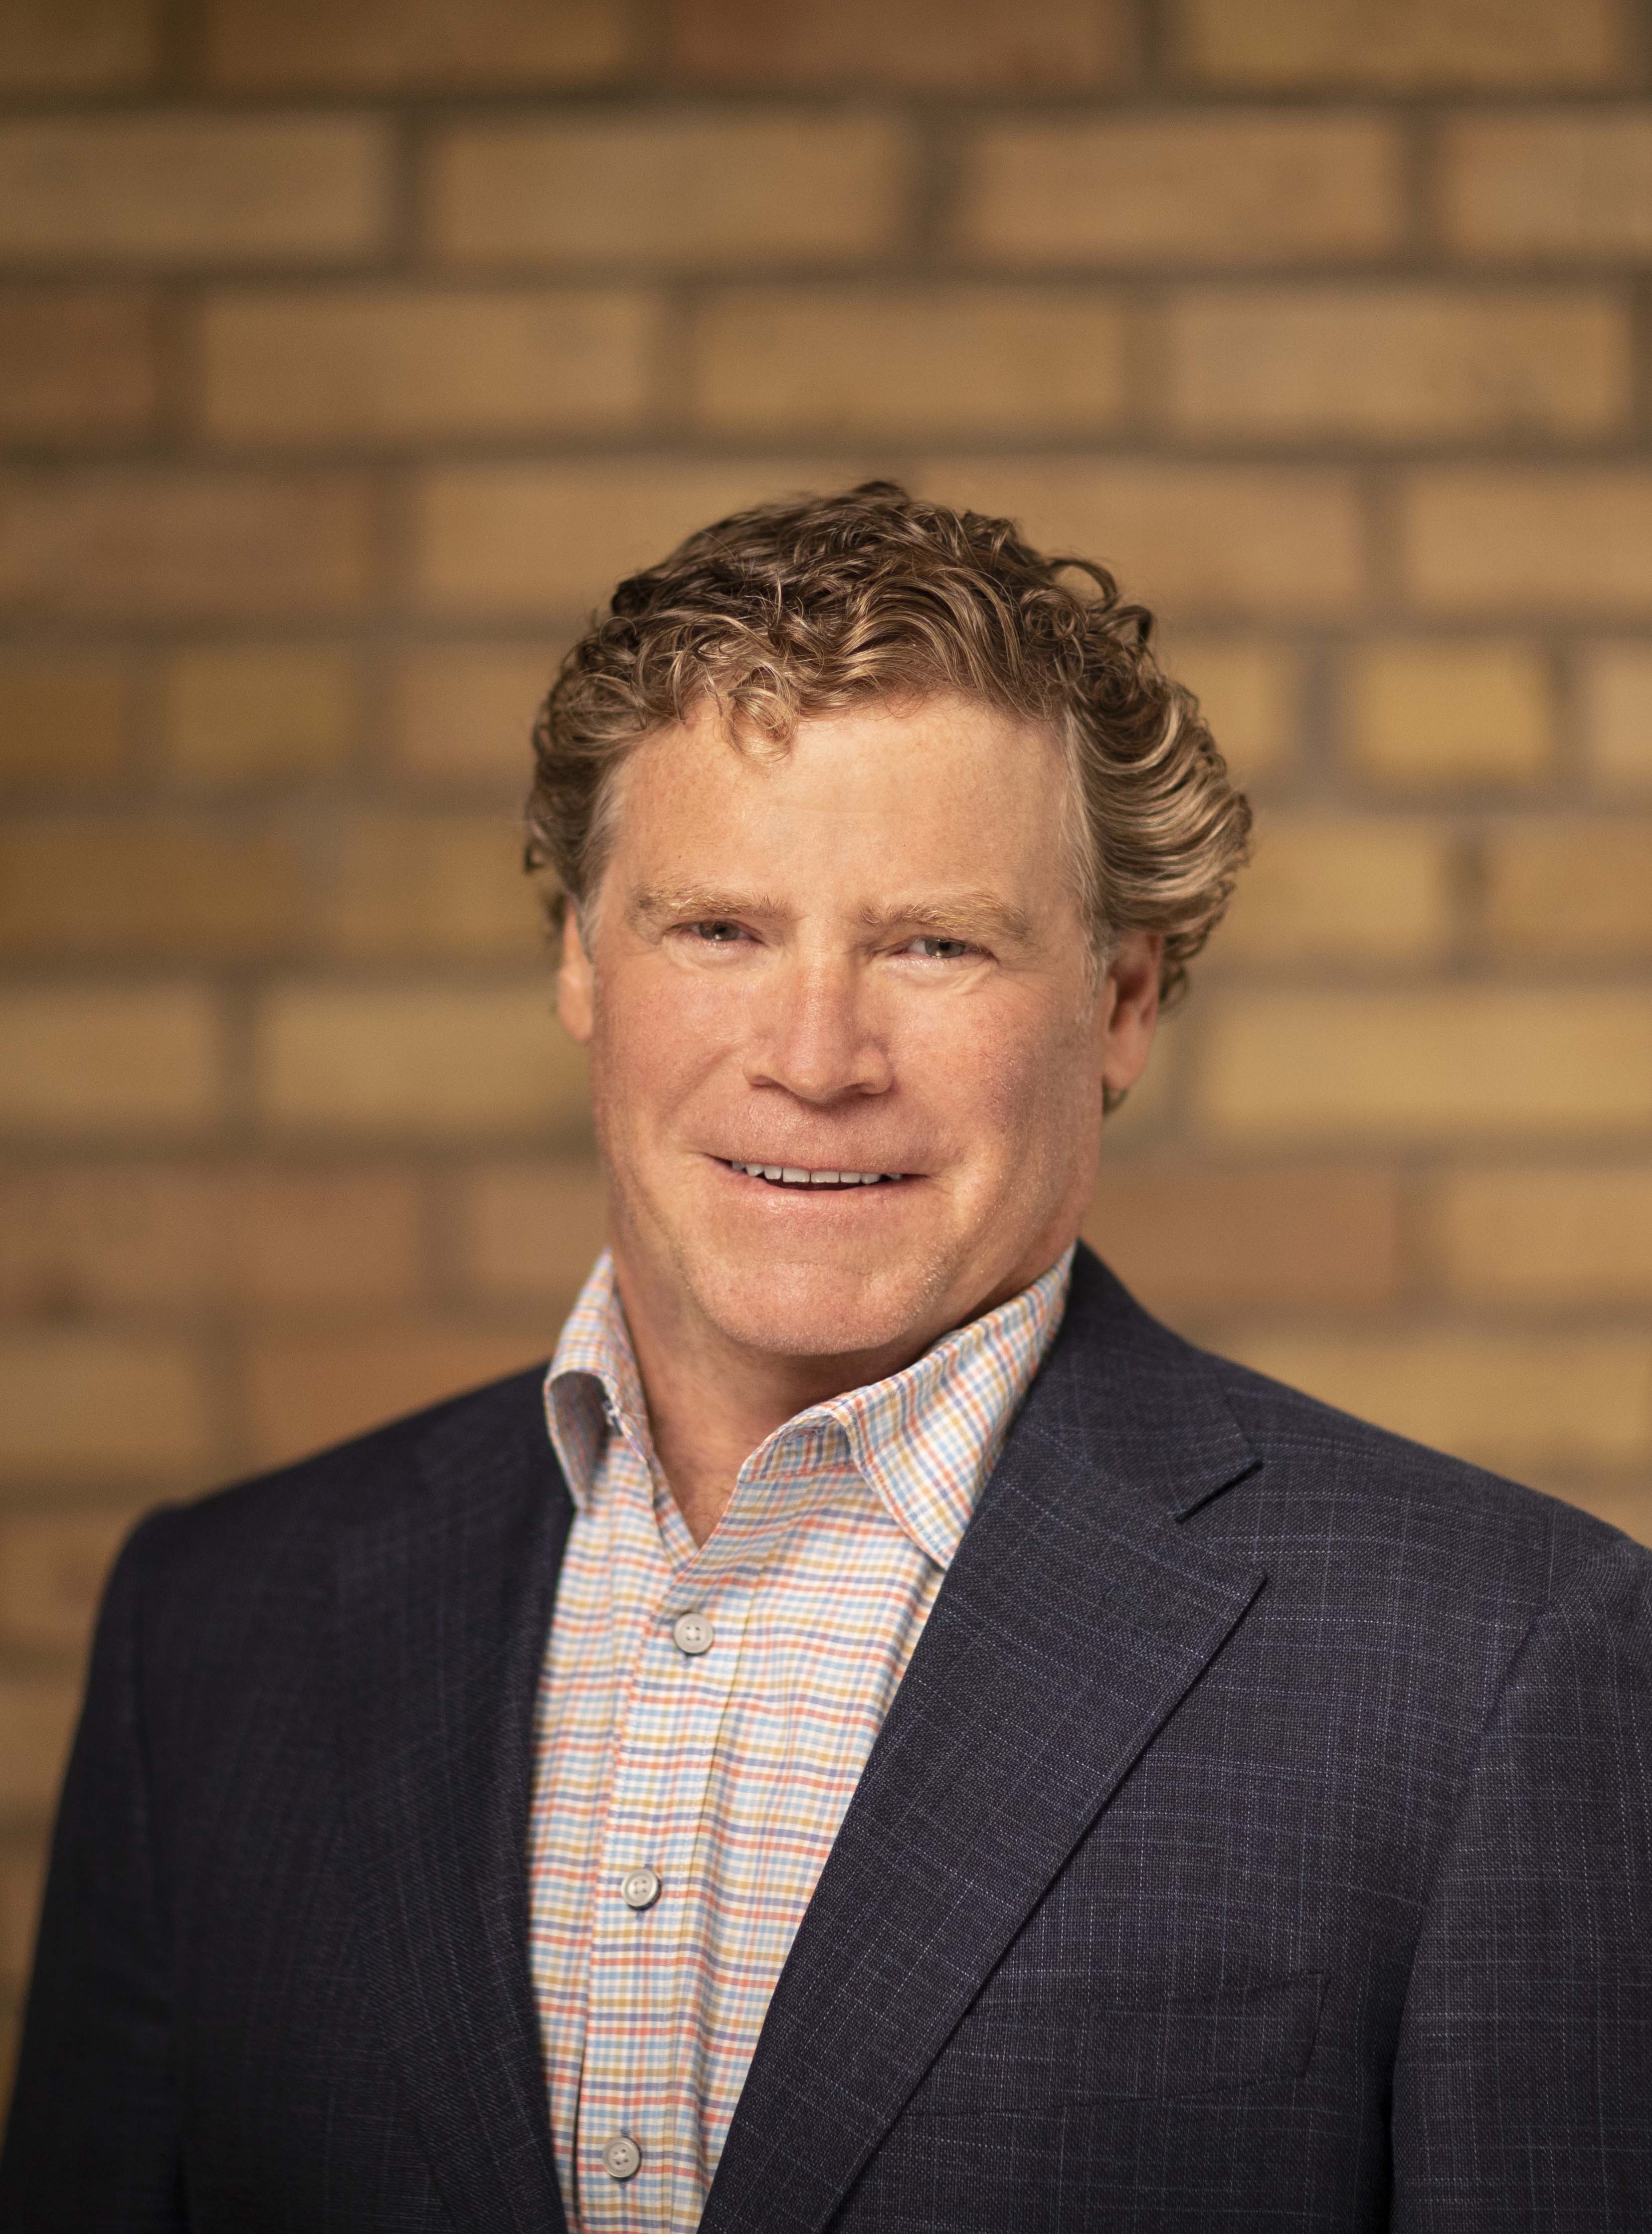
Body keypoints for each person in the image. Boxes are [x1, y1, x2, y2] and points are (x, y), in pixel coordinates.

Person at [2, 483, 1648, 2233]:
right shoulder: (214, 1627)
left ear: (1119, 1002)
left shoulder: (1494, 1666)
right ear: (580, 959)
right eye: (718, 930)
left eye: (933, 944)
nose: (812, 1057)